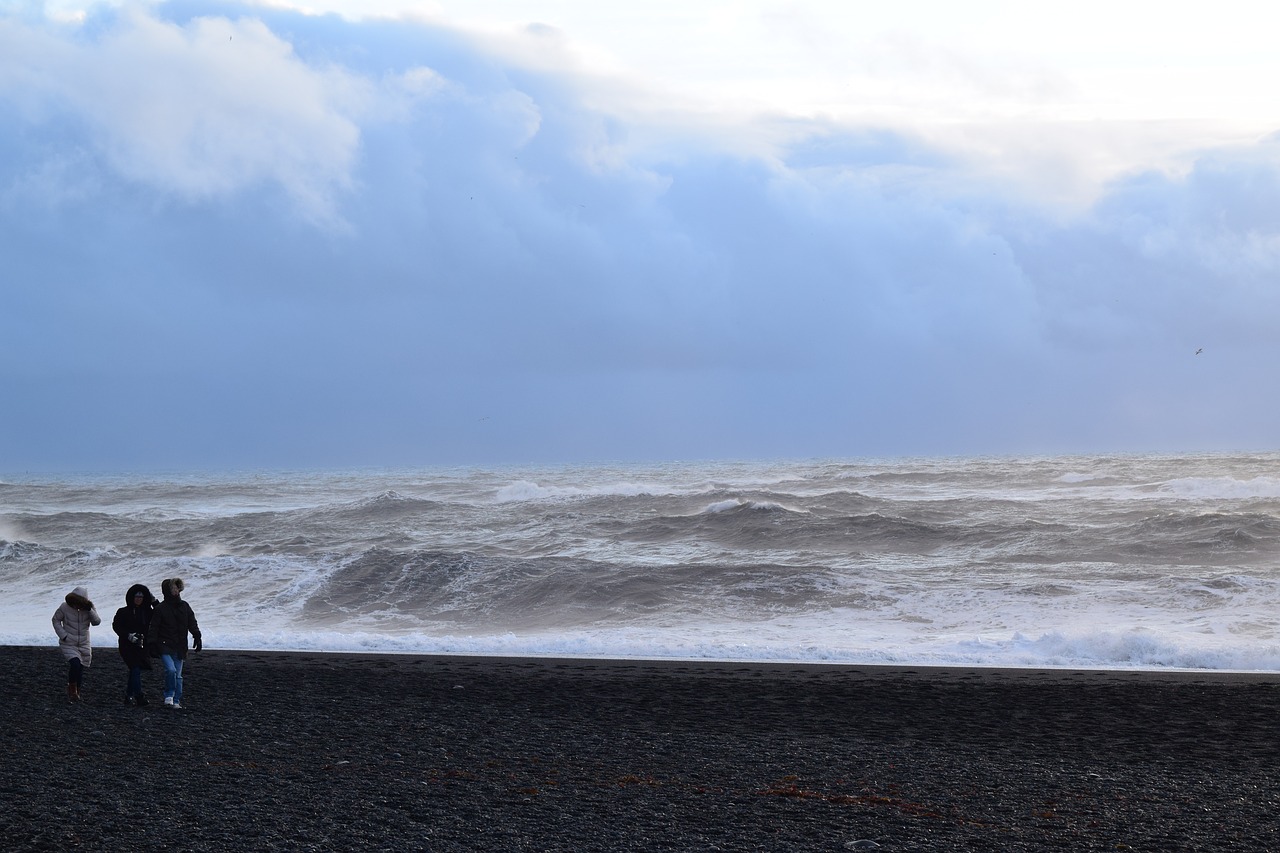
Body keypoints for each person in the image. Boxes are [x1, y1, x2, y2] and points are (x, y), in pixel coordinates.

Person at [147, 578, 202, 709]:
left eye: (177, 588)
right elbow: (154, 627)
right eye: (173, 589)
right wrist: (152, 644)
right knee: (170, 670)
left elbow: (192, 622)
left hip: (180, 646)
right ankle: (169, 695)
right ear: (167, 591)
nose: (176, 591)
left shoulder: (185, 606)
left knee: (178, 675)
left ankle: (176, 701)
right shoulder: (160, 609)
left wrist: (197, 636)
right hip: (164, 645)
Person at [52, 586, 101, 702]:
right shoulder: (64, 607)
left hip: (84, 642)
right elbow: (55, 620)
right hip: (68, 642)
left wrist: (89, 610)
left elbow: (97, 622)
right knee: (75, 664)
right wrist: (63, 635)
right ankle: (72, 689)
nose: (76, 605)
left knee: (81, 668)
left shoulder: (89, 609)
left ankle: (77, 691)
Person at [112, 584, 155, 706]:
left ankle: (129, 696)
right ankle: (139, 695)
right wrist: (128, 635)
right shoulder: (123, 611)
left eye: (141, 596)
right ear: (131, 597)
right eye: (136, 596)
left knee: (135, 670)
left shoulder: (148, 612)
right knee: (135, 667)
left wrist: (153, 600)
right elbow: (117, 626)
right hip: (127, 646)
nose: (139, 599)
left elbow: (160, 612)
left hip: (142, 645)